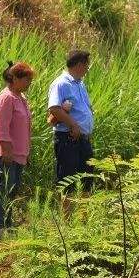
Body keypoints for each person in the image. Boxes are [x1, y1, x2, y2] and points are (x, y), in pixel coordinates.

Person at [0, 61, 35, 233]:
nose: (29, 83)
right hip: (7, 153)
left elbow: (24, 128)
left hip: (19, 153)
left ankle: (7, 224)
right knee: (5, 188)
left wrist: (26, 152)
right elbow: (1, 127)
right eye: (26, 79)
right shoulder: (6, 97)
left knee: (13, 189)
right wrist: (6, 150)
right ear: (14, 78)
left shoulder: (21, 97)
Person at [47, 49, 94, 190]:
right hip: (68, 139)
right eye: (87, 65)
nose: (87, 69)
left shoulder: (80, 84)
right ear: (79, 65)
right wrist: (73, 125)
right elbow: (54, 108)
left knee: (86, 181)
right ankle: (66, 213)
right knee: (68, 183)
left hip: (83, 139)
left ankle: (82, 212)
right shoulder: (61, 83)